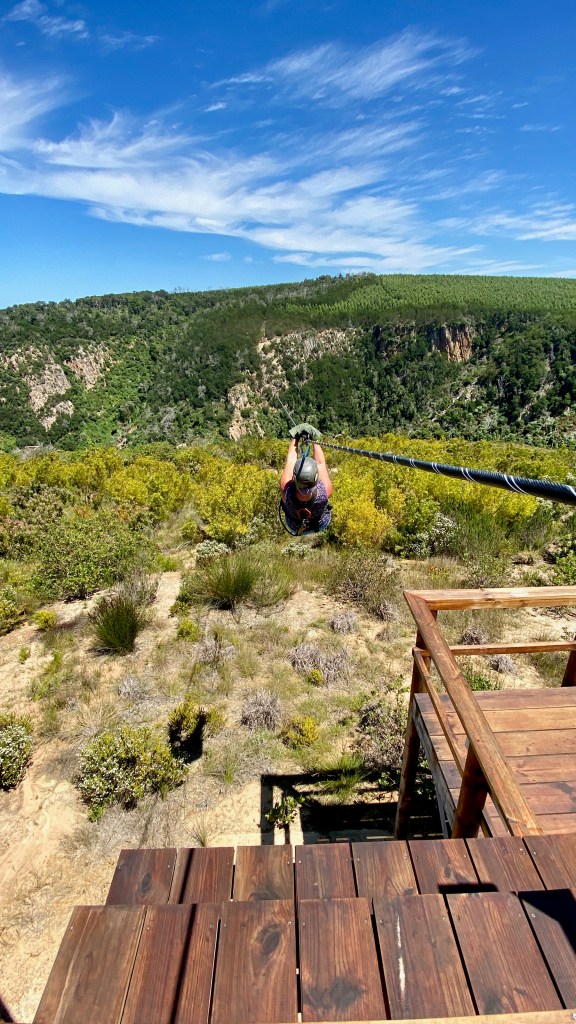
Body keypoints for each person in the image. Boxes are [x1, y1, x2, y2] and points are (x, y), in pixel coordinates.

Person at [280, 423, 332, 535]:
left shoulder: (286, 490)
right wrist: (314, 438)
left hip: (295, 527)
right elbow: (321, 464)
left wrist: (296, 437)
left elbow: (290, 461)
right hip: (320, 524)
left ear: (294, 478)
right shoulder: (325, 491)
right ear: (316, 478)